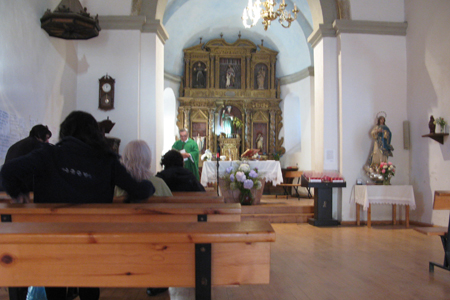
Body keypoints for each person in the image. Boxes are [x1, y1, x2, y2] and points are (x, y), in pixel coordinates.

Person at [1, 111, 155, 300]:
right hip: (92, 242)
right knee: (89, 286)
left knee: (54, 288)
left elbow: (7, 171)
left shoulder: (49, 154)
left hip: (52, 239)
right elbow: (138, 190)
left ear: (65, 132)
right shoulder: (107, 160)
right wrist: (150, 185)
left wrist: (18, 192)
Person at [1, 124, 52, 201]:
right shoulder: (38, 146)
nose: (48, 141)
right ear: (39, 135)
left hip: (5, 189)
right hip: (24, 193)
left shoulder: (15, 145)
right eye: (47, 138)